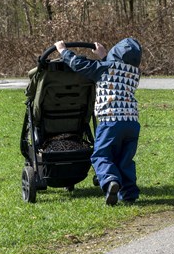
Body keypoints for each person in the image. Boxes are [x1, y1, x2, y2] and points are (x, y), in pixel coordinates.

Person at [55, 38, 142, 206]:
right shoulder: (135, 73)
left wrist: (63, 51)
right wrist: (104, 56)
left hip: (111, 121)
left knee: (101, 155)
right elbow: (114, 71)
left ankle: (110, 181)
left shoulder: (104, 68)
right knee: (125, 159)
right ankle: (129, 194)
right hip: (132, 122)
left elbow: (80, 65)